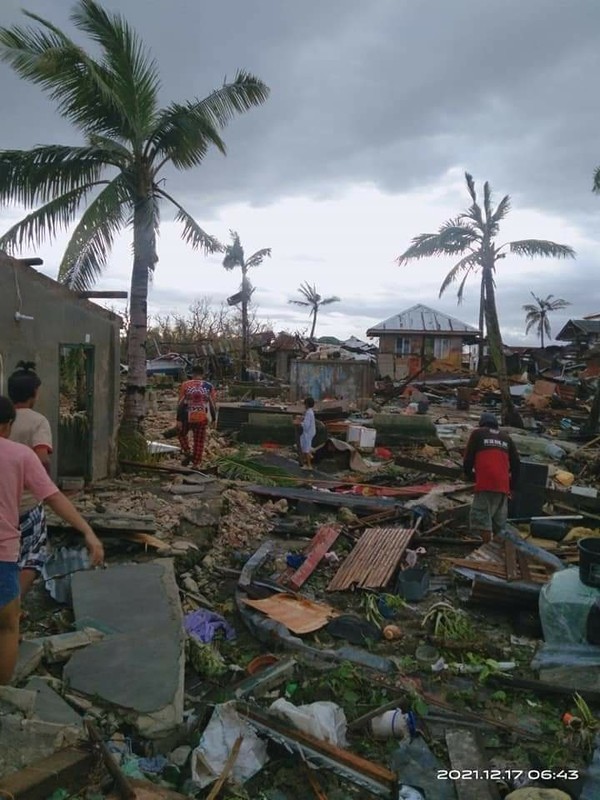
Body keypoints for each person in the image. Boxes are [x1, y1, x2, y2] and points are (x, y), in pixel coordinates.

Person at [0, 396, 104, 684]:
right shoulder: (20, 456)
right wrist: (87, 531)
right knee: (7, 627)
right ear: (7, 425)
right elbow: (54, 497)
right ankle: (3, 699)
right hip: (3, 555)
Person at [7, 362, 53, 597]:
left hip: (4, 501)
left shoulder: (6, 419)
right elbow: (42, 457)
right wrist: (46, 486)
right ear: (34, 393)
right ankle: (12, 606)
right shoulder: (37, 421)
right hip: (27, 502)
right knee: (34, 556)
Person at [463, 411, 520, 544]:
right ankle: (500, 550)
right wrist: (512, 485)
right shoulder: (506, 437)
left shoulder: (477, 434)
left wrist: (468, 474)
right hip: (503, 485)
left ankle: (487, 549)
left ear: (482, 423)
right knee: (498, 522)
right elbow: (516, 463)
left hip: (486, 483)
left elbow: (468, 458)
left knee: (482, 518)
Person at [177, 365, 216, 469]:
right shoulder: (209, 386)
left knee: (181, 434)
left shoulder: (185, 385)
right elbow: (212, 404)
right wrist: (214, 418)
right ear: (203, 374)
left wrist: (178, 419)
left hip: (186, 416)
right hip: (202, 418)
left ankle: (187, 451)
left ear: (192, 374)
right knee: (199, 441)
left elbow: (180, 403)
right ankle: (196, 464)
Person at [295, 396, 316, 470]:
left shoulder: (309, 413)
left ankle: (309, 466)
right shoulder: (309, 412)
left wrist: (299, 423)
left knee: (306, 449)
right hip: (310, 432)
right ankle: (306, 460)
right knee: (305, 448)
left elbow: (306, 425)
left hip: (308, 433)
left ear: (306, 404)